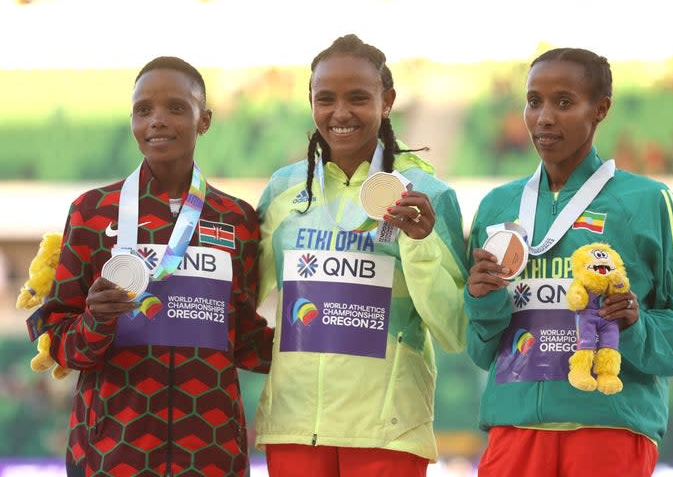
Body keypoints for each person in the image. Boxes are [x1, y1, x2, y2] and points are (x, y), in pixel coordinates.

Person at [465, 47, 673, 477]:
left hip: (609, 430)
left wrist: (635, 323)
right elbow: (482, 352)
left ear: (601, 109)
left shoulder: (651, 202)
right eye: (534, 101)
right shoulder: (496, 207)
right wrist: (482, 302)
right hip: (514, 429)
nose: (544, 117)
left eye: (564, 102)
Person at [37, 56, 273, 476]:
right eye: (143, 110)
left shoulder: (236, 219)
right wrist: (96, 319)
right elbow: (60, 341)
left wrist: (319, 340)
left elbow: (243, 337)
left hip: (212, 452)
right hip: (111, 453)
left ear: (205, 120)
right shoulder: (93, 211)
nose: (157, 121)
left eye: (176, 108)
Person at [253, 34, 468, 477]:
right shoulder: (282, 190)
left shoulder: (427, 194)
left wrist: (420, 243)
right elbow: (244, 296)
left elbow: (454, 330)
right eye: (325, 98)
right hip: (294, 429)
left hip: (387, 433)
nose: (341, 113)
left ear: (387, 101)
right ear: (310, 101)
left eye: (358, 98)